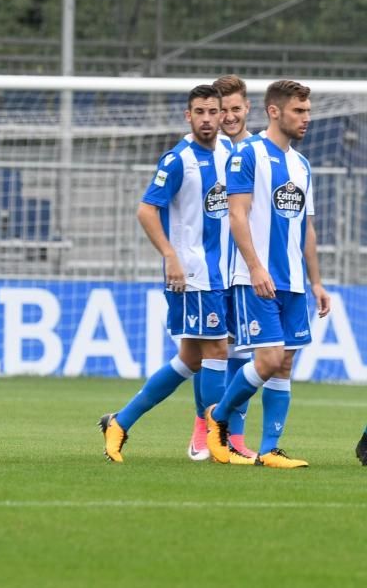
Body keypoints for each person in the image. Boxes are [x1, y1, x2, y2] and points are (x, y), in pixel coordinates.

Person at [100, 85, 232, 463]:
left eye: (213, 111)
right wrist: (170, 255)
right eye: (200, 112)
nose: (207, 119)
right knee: (217, 349)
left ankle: (121, 422)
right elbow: (146, 210)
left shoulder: (230, 154)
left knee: (191, 358)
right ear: (188, 116)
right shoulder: (178, 160)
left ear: (222, 116)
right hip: (192, 273)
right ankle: (215, 438)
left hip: (220, 272)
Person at [205, 80, 330, 469]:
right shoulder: (247, 154)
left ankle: (270, 450)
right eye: (299, 111)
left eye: (307, 111)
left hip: (293, 280)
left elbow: (306, 228)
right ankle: (218, 416)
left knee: (286, 363)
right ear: (274, 111)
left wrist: (316, 281)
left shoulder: (302, 164)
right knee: (269, 358)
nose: (306, 118)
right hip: (256, 277)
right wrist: (256, 266)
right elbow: (236, 214)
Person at [183, 74, 259, 462]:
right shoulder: (205, 152)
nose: (227, 117)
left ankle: (236, 435)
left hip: (246, 271)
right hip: (212, 271)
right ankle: (203, 426)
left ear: (247, 108)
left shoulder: (259, 152)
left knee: (243, 357)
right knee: (207, 354)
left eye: (233, 109)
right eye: (220, 109)